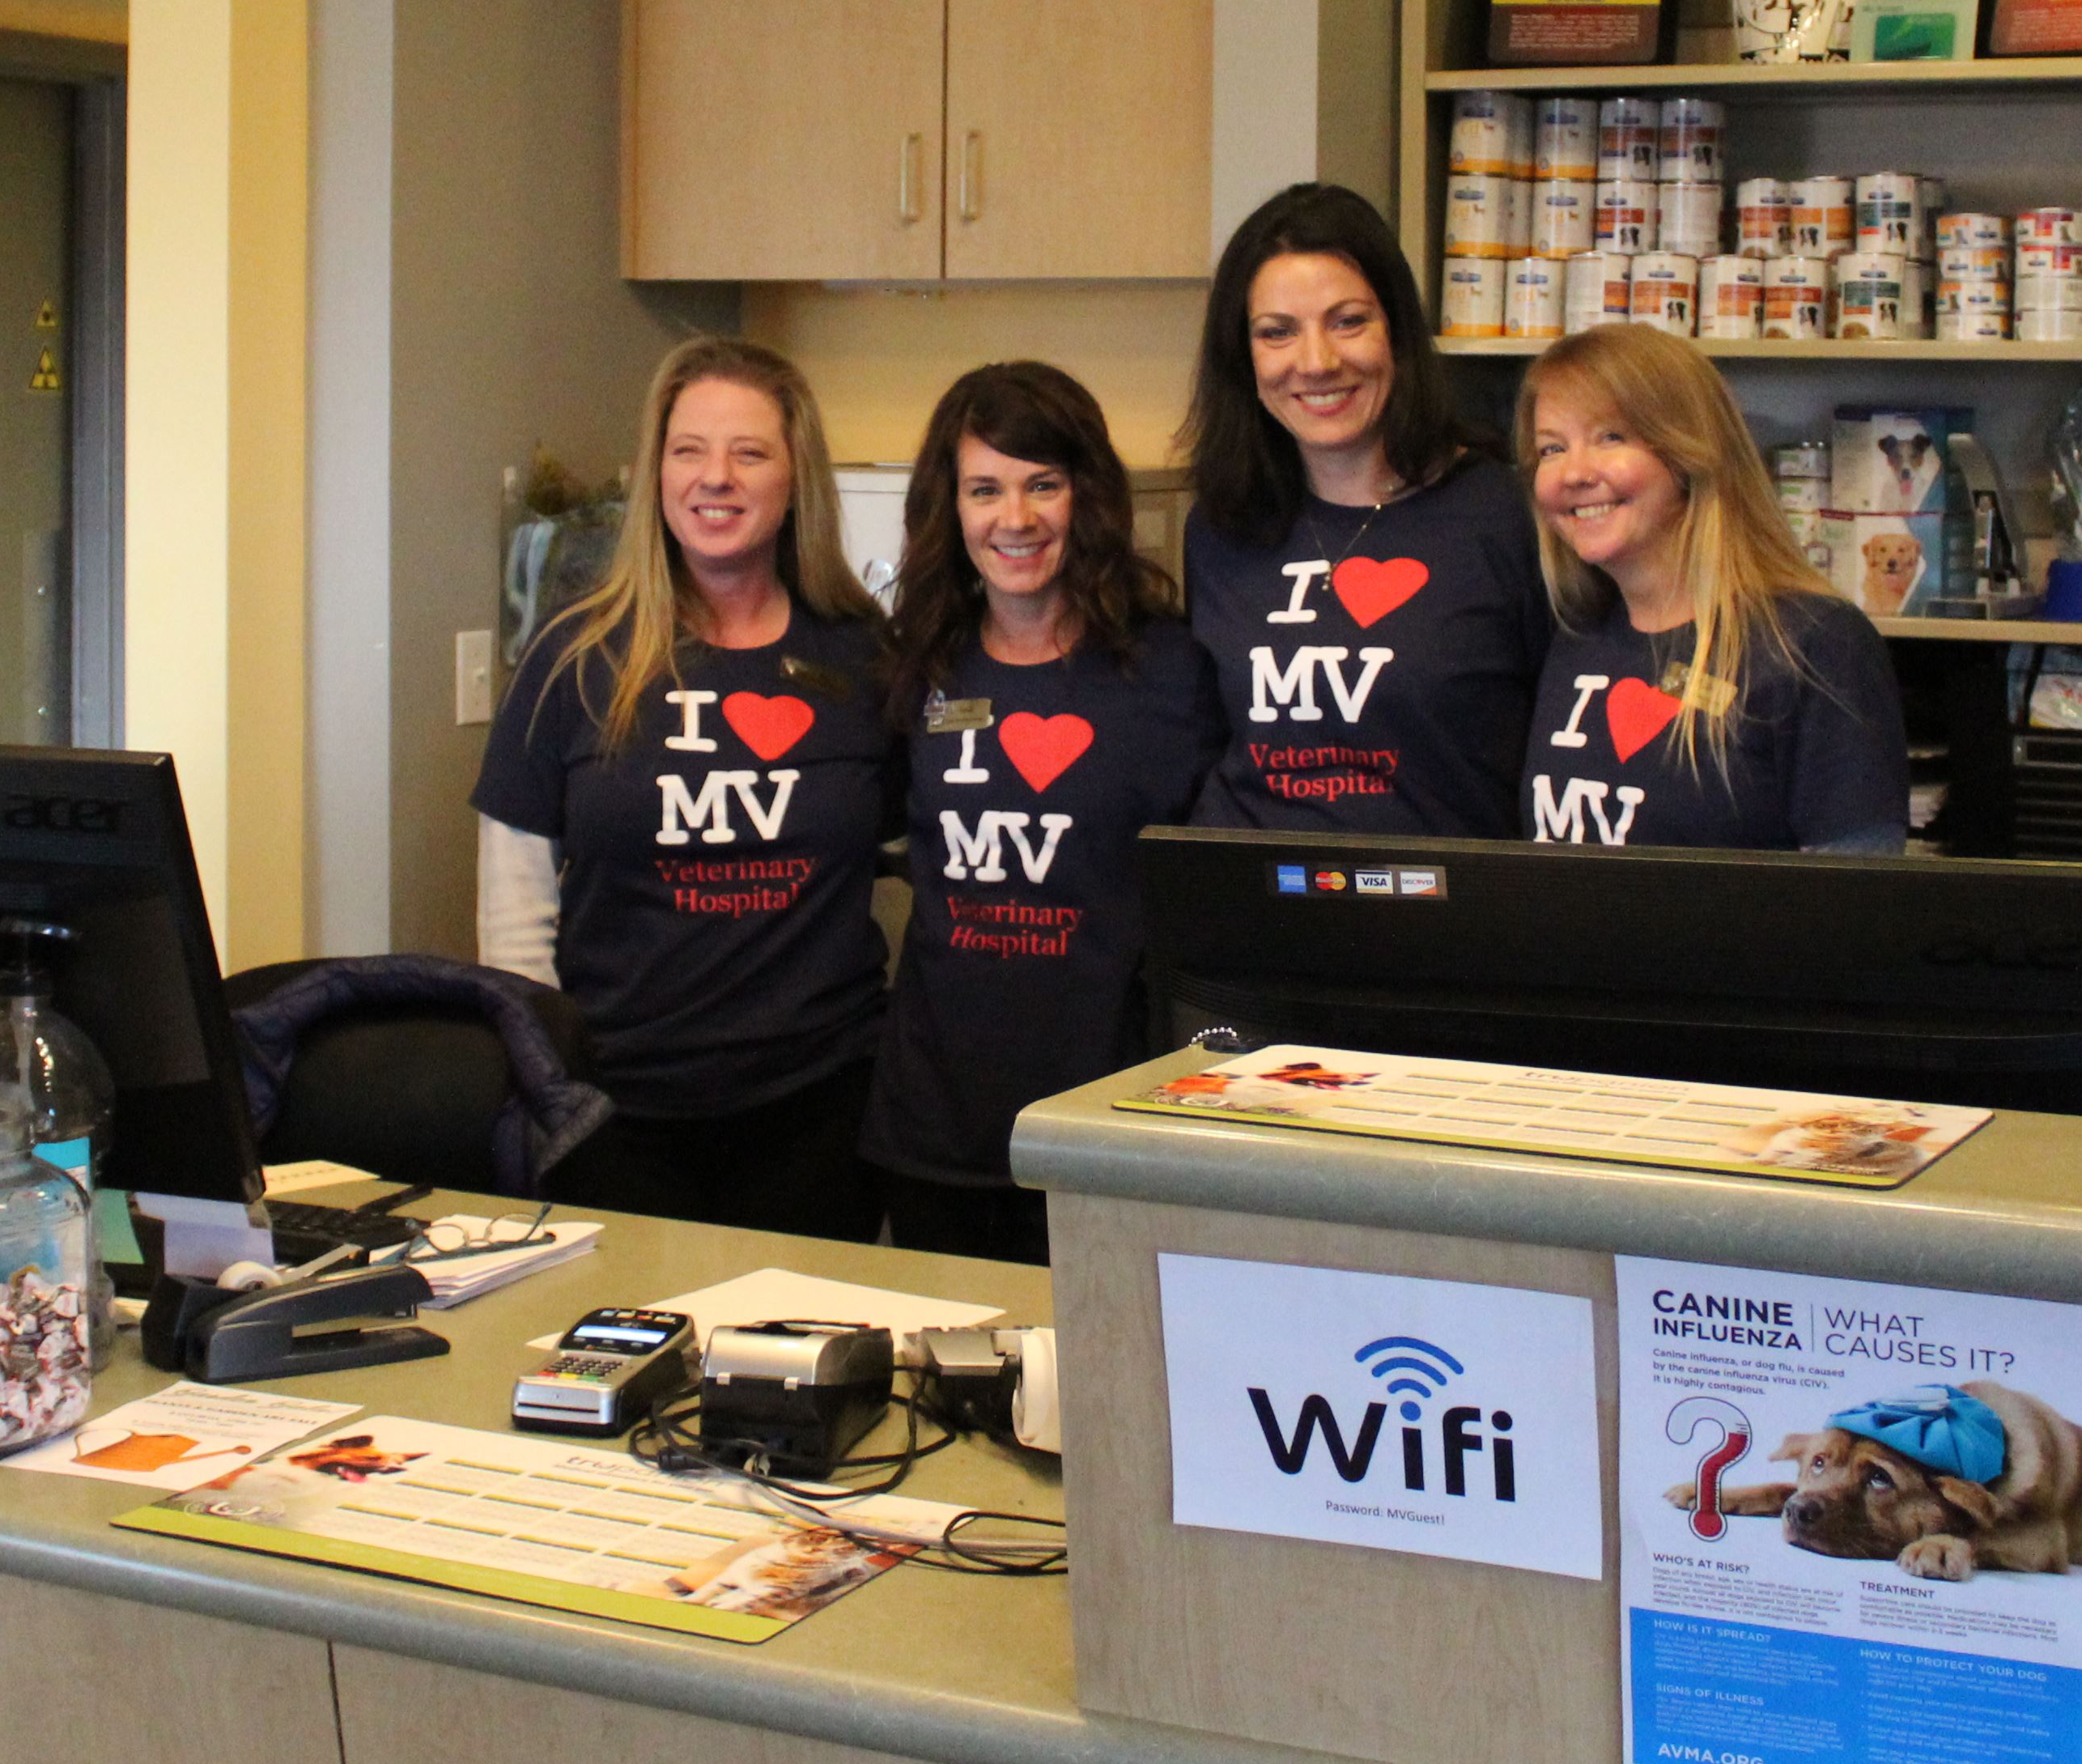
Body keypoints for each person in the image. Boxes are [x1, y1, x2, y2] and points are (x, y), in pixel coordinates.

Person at [472, 338, 894, 1240]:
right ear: (657, 474)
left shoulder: (865, 656)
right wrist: (555, 1089)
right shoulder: (574, 658)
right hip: (618, 1118)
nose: (717, 478)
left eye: (750, 453)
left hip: (822, 1115)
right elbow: (516, 918)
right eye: (689, 450)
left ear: (795, 480)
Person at [865, 363, 1223, 1264]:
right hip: (938, 1130)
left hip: (1113, 1120)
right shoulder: (916, 664)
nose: (1014, 520)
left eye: (1042, 485)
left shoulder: (1171, 669)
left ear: (1088, 496)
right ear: (951, 508)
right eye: (984, 489)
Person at [1179, 182, 1550, 837]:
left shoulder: (1505, 514)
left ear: (1398, 332)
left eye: (1348, 321)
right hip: (1260, 913)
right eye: (1277, 333)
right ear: (1243, 355)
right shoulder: (1221, 528)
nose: (1316, 362)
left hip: (1448, 919)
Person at [1515, 324, 1908, 852]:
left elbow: (1860, 902)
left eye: (1611, 437)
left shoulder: (1816, 644)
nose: (1573, 472)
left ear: (1689, 453)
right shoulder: (1577, 637)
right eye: (1551, 449)